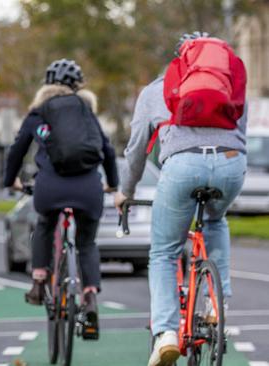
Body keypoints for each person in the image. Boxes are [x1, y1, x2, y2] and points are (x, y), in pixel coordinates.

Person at [114, 32, 247, 366]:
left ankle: (166, 333)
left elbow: (136, 153)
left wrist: (125, 192)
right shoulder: (230, 84)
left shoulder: (154, 91)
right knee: (216, 220)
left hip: (183, 166)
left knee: (164, 251)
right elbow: (240, 131)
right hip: (232, 161)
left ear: (180, 61)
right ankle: (217, 303)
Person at [3, 59, 119, 339]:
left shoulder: (38, 113)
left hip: (50, 188)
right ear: (77, 86)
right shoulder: (86, 110)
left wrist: (10, 181)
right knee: (87, 243)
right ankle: (90, 297)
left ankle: (39, 282)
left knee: (44, 224)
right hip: (89, 188)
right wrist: (113, 185)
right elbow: (108, 150)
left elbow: (17, 150)